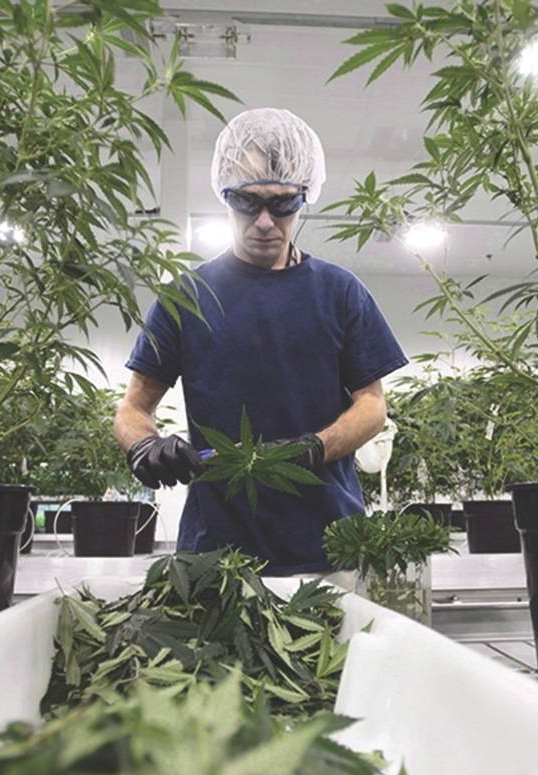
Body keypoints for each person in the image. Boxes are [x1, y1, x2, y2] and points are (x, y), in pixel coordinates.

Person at [113, 108, 408, 577]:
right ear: (224, 197)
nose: (266, 221)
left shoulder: (340, 292)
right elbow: (132, 409)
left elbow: (372, 407)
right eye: (248, 203)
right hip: (215, 553)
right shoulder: (186, 297)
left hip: (329, 546)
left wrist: (315, 446)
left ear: (304, 197)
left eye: (283, 203)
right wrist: (144, 447)